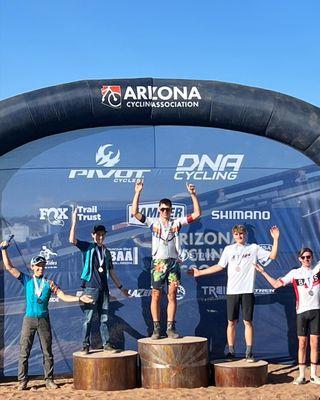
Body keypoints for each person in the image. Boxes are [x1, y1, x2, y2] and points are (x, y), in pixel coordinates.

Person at [0, 241, 93, 391]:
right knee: (24, 351)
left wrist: (79, 298)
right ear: (32, 267)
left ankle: (49, 380)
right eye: (37, 265)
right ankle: (22, 381)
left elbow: (63, 296)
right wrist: (3, 249)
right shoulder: (27, 280)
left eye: (42, 265)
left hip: (43, 320)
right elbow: (9, 267)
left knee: (47, 352)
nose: (40, 268)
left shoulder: (49, 283)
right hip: (28, 320)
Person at [191, 224, 279, 361]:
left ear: (246, 235)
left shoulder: (254, 248)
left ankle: (249, 352)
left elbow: (272, 256)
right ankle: (231, 351)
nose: (240, 236)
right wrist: (201, 272)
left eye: (242, 233)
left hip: (247, 291)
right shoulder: (228, 249)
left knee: (247, 322)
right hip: (232, 291)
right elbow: (220, 266)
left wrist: (276, 239)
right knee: (231, 322)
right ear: (233, 235)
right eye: (237, 234)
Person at [132, 180, 201, 339]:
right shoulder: (153, 223)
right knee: (156, 294)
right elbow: (135, 212)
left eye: (167, 209)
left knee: (172, 294)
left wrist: (193, 195)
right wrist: (138, 192)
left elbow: (197, 214)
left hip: (173, 263)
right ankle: (156, 328)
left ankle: (170, 327)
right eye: (162, 209)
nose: (165, 212)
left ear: (171, 211)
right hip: (158, 263)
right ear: (158, 210)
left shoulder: (176, 223)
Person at [255, 247, 320, 385]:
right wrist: (263, 272)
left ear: (312, 257)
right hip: (302, 312)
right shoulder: (295, 273)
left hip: (316, 311)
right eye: (303, 257)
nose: (306, 260)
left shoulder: (317, 269)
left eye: (308, 257)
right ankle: (302, 375)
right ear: (299, 259)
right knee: (302, 344)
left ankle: (314, 375)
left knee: (314, 344)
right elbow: (276, 284)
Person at [69, 207, 129, 354]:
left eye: (102, 235)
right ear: (93, 235)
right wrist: (74, 221)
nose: (100, 237)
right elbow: (72, 240)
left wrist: (121, 288)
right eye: (98, 234)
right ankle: (85, 346)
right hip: (90, 288)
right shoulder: (88, 247)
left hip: (104, 289)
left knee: (104, 318)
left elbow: (112, 272)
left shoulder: (107, 252)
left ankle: (106, 344)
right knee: (88, 319)